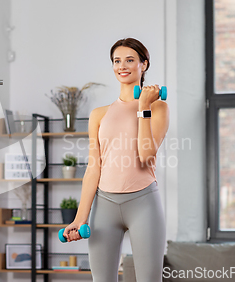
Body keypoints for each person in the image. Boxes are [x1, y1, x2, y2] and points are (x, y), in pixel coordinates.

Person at [63, 38, 169, 282]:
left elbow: (145, 155)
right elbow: (93, 168)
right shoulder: (99, 114)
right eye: (117, 61)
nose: (122, 66)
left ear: (144, 64)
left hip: (143, 202)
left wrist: (143, 106)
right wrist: (80, 219)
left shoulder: (159, 108)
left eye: (130, 60)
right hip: (105, 204)